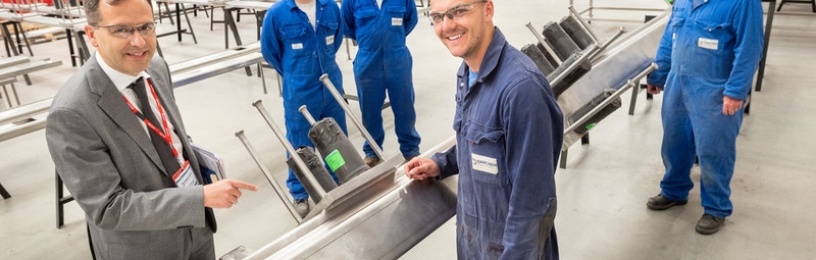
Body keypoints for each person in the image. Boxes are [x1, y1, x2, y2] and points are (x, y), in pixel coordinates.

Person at [45, 0, 258, 258]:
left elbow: (171, 137)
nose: (139, 42)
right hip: (144, 249)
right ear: (92, 35)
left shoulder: (156, 67)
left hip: (197, 231)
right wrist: (198, 198)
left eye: (146, 27)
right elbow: (108, 208)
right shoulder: (72, 112)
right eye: (122, 30)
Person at [404, 0, 563, 258]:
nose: (447, 25)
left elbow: (534, 206)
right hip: (474, 243)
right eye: (438, 17)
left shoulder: (522, 90)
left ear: (487, 9)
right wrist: (441, 163)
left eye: (459, 11)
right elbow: (482, 143)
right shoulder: (467, 73)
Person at [645, 0, 763, 235]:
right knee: (674, 141)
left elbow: (749, 48)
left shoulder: (744, 3)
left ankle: (716, 207)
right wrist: (658, 74)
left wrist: (736, 91)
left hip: (716, 92)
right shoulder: (683, 1)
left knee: (714, 150)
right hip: (678, 85)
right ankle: (673, 191)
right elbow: (670, 37)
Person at [260, 0, 346, 217]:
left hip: (331, 86)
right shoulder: (277, 14)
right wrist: (294, 73)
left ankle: (339, 182)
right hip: (300, 91)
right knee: (300, 145)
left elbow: (335, 42)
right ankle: (300, 193)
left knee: (336, 140)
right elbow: (270, 52)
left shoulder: (331, 8)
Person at [341, 0, 422, 166]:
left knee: (405, 106)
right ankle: (372, 150)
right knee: (369, 110)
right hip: (367, 60)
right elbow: (347, 26)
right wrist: (370, 41)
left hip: (397, 58)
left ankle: (411, 149)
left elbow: (411, 19)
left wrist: (393, 40)